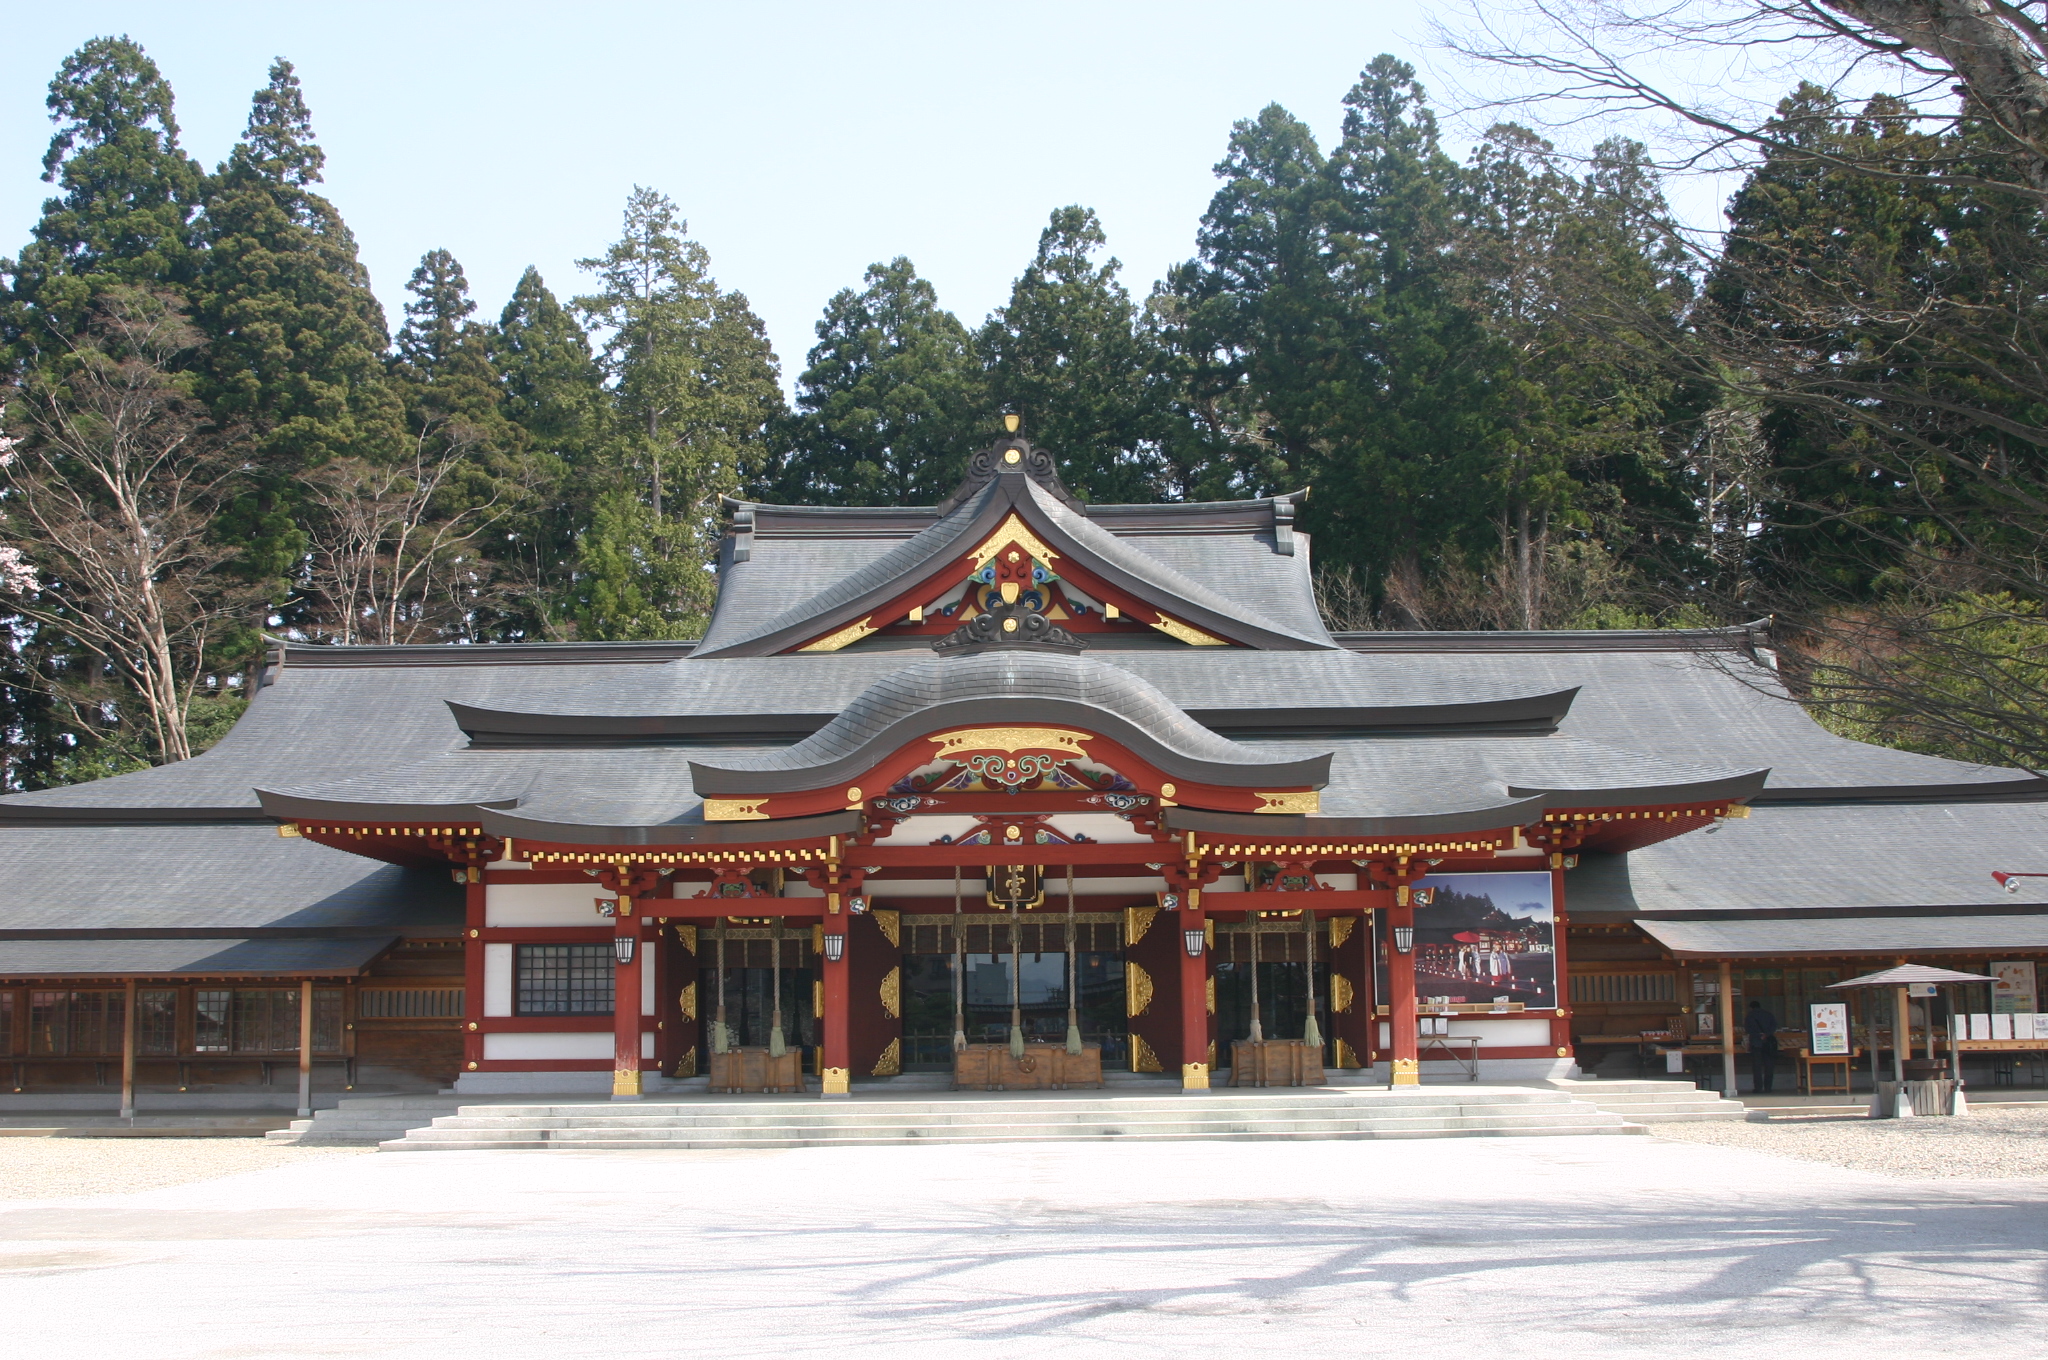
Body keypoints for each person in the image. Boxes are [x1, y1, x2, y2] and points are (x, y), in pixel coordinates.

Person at [1746, 1000, 1781, 1093]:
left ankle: (1758, 1088)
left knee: (1757, 1067)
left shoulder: (1750, 1015)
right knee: (1769, 1066)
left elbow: (1748, 1029)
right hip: (1768, 1043)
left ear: (1751, 1007)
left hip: (1756, 1042)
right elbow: (1774, 1026)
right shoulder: (1768, 1014)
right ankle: (1768, 1087)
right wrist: (1767, 1034)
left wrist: (1758, 1035)